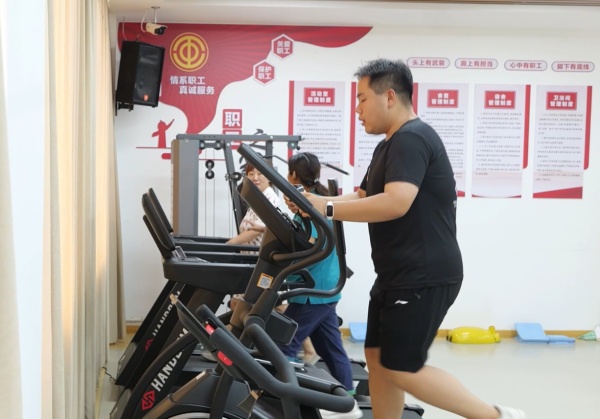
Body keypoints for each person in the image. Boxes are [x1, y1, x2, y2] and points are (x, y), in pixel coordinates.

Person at [299, 59, 526, 419]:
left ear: (389, 97)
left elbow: (397, 202)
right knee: (377, 360)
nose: (357, 109)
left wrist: (324, 209)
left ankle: (498, 417)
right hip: (396, 274)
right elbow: (363, 197)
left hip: (423, 274)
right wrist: (315, 202)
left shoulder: (412, 138)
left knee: (401, 367)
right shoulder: (387, 145)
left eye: (362, 99)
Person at [270, 152, 363, 419]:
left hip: (313, 290)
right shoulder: (315, 201)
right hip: (323, 288)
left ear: (294, 175)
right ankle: (348, 399)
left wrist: (285, 264)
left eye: (289, 173)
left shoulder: (310, 206)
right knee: (330, 348)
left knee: (285, 344)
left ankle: (287, 398)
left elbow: (313, 246)